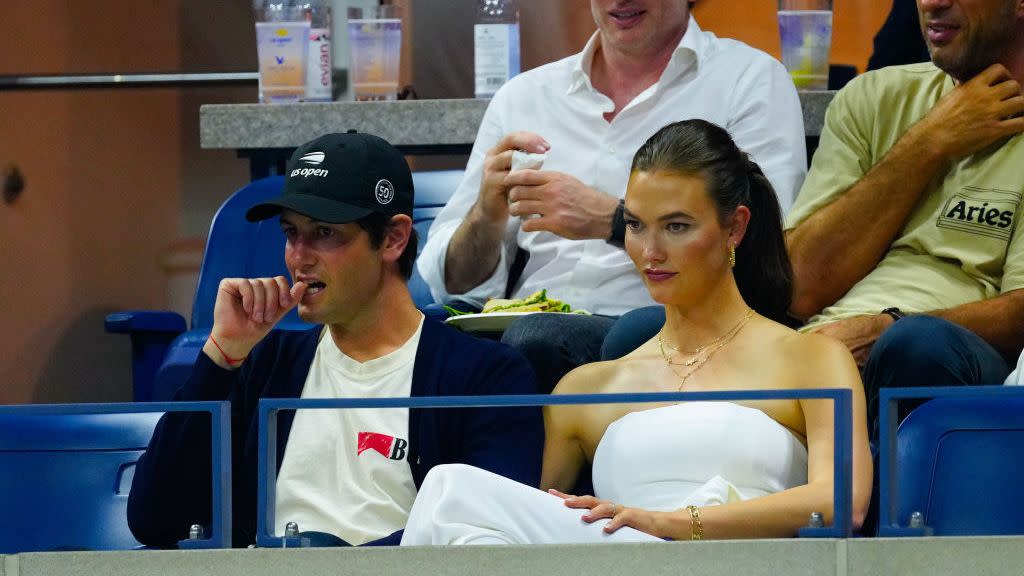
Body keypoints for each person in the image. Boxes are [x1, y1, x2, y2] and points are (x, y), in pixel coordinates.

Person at [399, 120, 872, 545]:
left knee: (449, 494)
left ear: (735, 228)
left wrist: (670, 524)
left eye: (677, 226)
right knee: (455, 502)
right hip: (619, 562)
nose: (650, 251)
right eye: (636, 225)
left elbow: (844, 502)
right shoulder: (586, 388)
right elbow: (533, 530)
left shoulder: (812, 358)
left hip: (737, 562)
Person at [128, 132, 544, 549]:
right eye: (291, 232)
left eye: (325, 232)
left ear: (394, 238)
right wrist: (220, 359)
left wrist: (326, 558)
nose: (298, 256)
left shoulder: (488, 377)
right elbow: (153, 519)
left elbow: (488, 541)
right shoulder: (263, 363)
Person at [417, 0, 807, 393]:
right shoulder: (524, 96)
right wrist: (486, 217)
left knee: (535, 338)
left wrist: (612, 221)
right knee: (426, 334)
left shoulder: (749, 80)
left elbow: (763, 256)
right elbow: (451, 283)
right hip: (521, 328)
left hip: (661, 329)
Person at [785, 0, 1024, 436]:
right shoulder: (873, 97)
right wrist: (930, 141)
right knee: (646, 332)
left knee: (914, 345)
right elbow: (799, 286)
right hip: (821, 340)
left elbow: (1019, 310)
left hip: (950, 355)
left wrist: (886, 328)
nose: (931, 2)